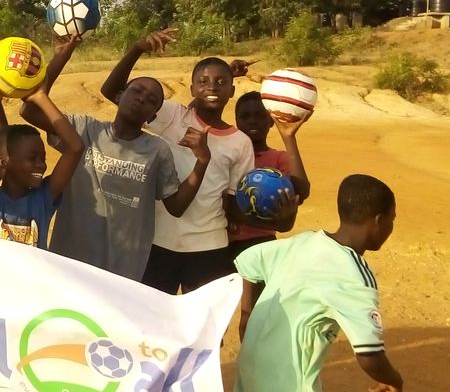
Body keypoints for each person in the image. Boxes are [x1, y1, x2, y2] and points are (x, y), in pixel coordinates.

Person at [231, 174, 404, 392]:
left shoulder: (307, 241)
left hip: (255, 377)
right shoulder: (354, 275)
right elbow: (369, 355)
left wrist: (248, 313)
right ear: (378, 220)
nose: (391, 227)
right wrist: (395, 381)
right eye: (392, 219)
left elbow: (250, 261)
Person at [22, 36, 211, 281]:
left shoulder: (157, 149)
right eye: (137, 91)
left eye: (152, 100)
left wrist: (202, 162)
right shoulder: (84, 129)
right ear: (119, 96)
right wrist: (61, 58)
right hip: (70, 263)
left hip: (123, 273)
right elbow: (30, 110)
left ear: (152, 115)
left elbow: (176, 207)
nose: (142, 98)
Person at [100, 29, 254, 293]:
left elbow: (232, 200)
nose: (212, 87)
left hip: (209, 247)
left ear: (232, 90)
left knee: (203, 320)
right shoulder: (173, 116)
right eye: (203, 81)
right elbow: (113, 91)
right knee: (150, 317)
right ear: (192, 88)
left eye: (220, 82)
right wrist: (137, 48)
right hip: (158, 243)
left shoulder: (241, 143)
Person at [0, 66, 84, 247]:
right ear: (3, 162)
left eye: (42, 158)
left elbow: (76, 148)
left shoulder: (43, 198)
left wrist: (41, 97)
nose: (41, 165)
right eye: (32, 158)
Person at [229, 90, 312, 259]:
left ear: (271, 121)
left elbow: (302, 191)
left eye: (260, 116)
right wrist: (280, 224)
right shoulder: (227, 156)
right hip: (223, 245)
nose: (252, 121)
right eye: (245, 116)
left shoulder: (278, 158)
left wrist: (289, 137)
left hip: (262, 246)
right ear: (236, 121)